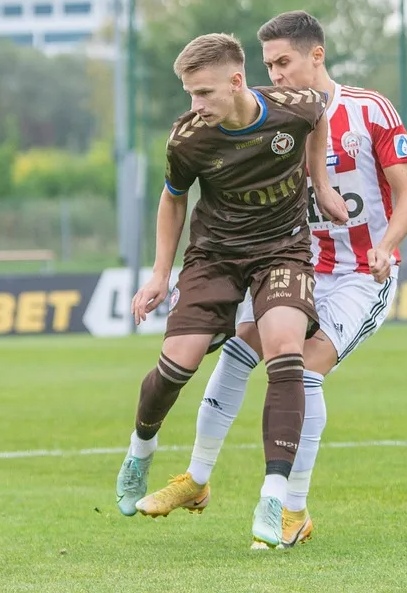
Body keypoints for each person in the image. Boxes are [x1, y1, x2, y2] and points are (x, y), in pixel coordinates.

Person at [135, 11, 407, 549]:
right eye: (268, 64)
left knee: (302, 369)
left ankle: (293, 511)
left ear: (317, 56)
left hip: (359, 274)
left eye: (284, 62)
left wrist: (384, 247)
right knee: (240, 351)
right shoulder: (267, 113)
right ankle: (196, 478)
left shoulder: (369, 111)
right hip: (294, 263)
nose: (277, 74)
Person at [114, 31, 350, 550]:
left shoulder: (297, 105)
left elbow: (319, 119)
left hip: (281, 252)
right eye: (189, 95)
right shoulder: (189, 138)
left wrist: (322, 184)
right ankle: (141, 452)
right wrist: (159, 274)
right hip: (214, 255)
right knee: (177, 364)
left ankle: (273, 495)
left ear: (237, 81)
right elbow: (173, 199)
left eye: (203, 93)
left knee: (286, 351)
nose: (195, 106)